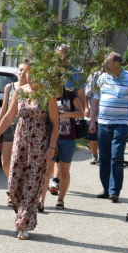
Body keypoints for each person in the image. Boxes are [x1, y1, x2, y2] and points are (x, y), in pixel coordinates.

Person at [0, 61, 58, 239]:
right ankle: (23, 213)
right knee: (14, 182)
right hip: (20, 142)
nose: (31, 77)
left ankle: (23, 224)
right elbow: (9, 117)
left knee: (32, 184)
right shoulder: (19, 92)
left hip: (40, 145)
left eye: (34, 74)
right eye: (27, 73)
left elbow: (55, 124)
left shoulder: (48, 95)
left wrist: (51, 147)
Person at [89, 52, 128, 203]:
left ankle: (114, 191)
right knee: (104, 157)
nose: (105, 66)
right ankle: (106, 189)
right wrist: (92, 121)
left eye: (108, 63)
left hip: (121, 123)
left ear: (117, 65)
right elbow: (96, 101)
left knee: (116, 156)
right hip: (103, 124)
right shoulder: (102, 78)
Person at [48, 44, 85, 195]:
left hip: (69, 113)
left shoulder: (76, 72)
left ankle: (56, 181)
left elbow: (81, 94)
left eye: (65, 54)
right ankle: (54, 180)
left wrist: (82, 110)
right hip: (52, 120)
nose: (63, 57)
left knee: (63, 156)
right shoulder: (51, 71)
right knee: (54, 154)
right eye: (60, 54)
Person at [45, 82, 83, 210]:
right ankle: (41, 199)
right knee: (47, 169)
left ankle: (60, 200)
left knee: (64, 170)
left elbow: (80, 112)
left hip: (68, 138)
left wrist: (65, 114)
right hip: (50, 138)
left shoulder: (70, 93)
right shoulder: (46, 94)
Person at [0, 62, 26, 202]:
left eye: (25, 70)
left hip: (23, 128)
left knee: (20, 162)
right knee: (6, 163)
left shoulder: (31, 89)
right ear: (16, 72)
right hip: (9, 127)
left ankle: (14, 191)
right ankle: (15, 185)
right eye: (20, 70)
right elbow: (4, 109)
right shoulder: (9, 87)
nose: (22, 73)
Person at [84, 63, 103, 165]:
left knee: (102, 136)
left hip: (105, 114)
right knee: (92, 136)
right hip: (93, 112)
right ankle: (95, 156)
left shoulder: (113, 76)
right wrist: (86, 107)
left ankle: (102, 156)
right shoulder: (94, 76)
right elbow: (87, 94)